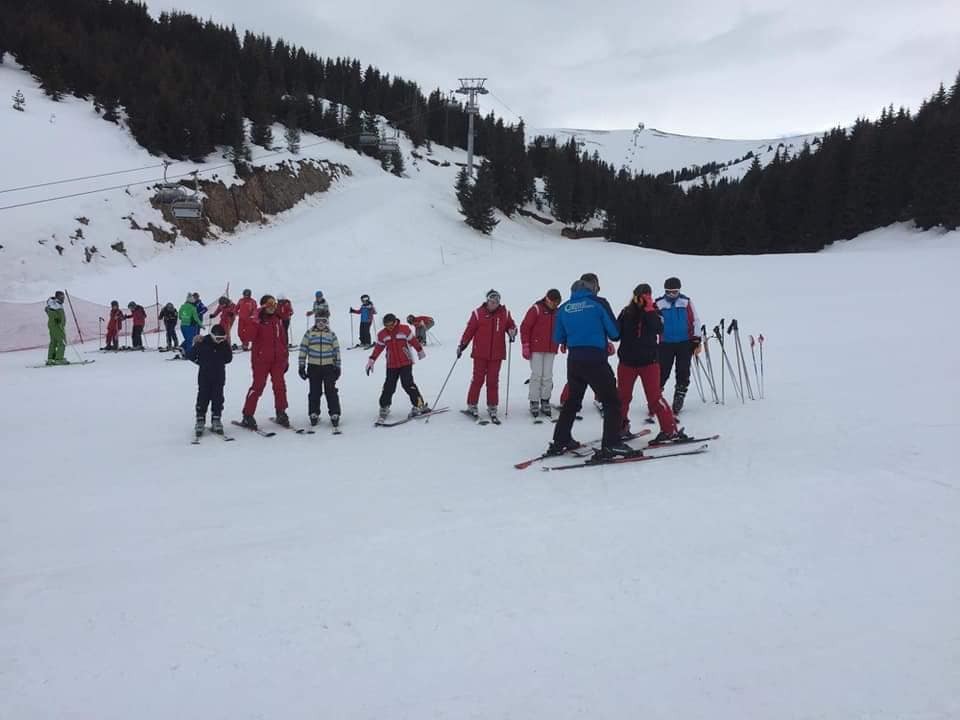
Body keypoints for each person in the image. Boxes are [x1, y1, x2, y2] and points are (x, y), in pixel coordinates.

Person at [549, 275, 633, 460]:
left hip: (574, 360)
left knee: (572, 401)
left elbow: (557, 338)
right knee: (611, 401)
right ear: (592, 289)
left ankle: (560, 439)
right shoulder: (598, 303)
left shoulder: (563, 309)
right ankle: (612, 443)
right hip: (595, 358)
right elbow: (615, 332)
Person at [616, 284, 686, 443]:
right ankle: (620, 427)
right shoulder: (626, 312)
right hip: (627, 362)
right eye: (640, 296)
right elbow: (616, 333)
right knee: (622, 397)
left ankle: (669, 430)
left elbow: (659, 329)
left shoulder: (655, 312)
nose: (642, 299)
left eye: (646, 296)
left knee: (654, 398)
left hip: (649, 362)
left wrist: (649, 310)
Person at [457, 289, 517, 422]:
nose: (493, 304)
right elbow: (469, 331)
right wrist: (462, 345)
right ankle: (472, 405)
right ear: (487, 301)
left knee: (493, 381)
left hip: (497, 354)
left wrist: (512, 331)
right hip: (480, 353)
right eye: (491, 301)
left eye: (496, 302)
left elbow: (511, 326)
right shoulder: (478, 314)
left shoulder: (504, 313)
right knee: (477, 379)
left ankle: (492, 406)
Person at [366, 313, 428, 422]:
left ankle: (419, 405)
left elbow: (413, 340)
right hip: (392, 364)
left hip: (406, 362)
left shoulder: (404, 329)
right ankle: (384, 407)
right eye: (386, 325)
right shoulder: (382, 334)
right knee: (389, 386)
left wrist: (419, 350)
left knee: (408, 384)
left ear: (395, 322)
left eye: (391, 324)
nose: (389, 327)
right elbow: (378, 348)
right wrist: (372, 360)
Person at [240, 295, 290, 429]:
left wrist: (285, 358)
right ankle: (247, 414)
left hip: (277, 360)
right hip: (261, 360)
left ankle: (281, 412)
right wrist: (254, 321)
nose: (272, 307)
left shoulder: (277, 319)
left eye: (274, 304)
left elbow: (283, 340)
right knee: (258, 387)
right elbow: (247, 337)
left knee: (280, 386)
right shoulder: (258, 321)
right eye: (268, 304)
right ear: (262, 306)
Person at [656, 276, 701, 414]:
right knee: (662, 371)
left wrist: (696, 339)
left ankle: (679, 396)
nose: (672, 295)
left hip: (684, 343)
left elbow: (695, 320)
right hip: (665, 343)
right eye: (669, 292)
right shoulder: (659, 303)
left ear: (679, 291)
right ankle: (656, 397)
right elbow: (653, 323)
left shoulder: (685, 302)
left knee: (683, 370)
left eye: (674, 292)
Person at [520, 289, 561, 418]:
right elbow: (525, 327)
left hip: (551, 347)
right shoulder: (536, 309)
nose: (555, 305)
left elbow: (562, 328)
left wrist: (563, 341)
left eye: (557, 303)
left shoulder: (558, 312)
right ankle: (534, 401)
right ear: (548, 299)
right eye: (553, 303)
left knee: (547, 375)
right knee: (537, 374)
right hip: (536, 348)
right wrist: (525, 345)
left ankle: (545, 400)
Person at [297, 310, 342, 427]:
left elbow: (336, 351)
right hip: (314, 367)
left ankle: (334, 413)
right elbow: (303, 349)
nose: (321, 323)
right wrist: (301, 366)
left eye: (323, 321)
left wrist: (337, 366)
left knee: (330, 390)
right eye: (318, 321)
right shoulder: (310, 333)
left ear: (327, 322)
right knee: (315, 391)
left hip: (328, 367)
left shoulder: (331, 334)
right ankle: (313, 413)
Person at [187, 323, 232, 435]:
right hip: (205, 376)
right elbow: (190, 355)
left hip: (219, 376)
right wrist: (200, 362)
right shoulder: (203, 342)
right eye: (218, 338)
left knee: (218, 398)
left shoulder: (224, 344)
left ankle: (216, 419)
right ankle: (200, 419)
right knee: (203, 397)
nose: (220, 340)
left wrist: (226, 349)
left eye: (222, 338)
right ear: (212, 335)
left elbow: (228, 358)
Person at [44, 290, 68, 365]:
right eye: (61, 297)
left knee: (54, 341)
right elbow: (52, 313)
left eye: (63, 297)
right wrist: (57, 320)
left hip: (53, 325)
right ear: (57, 297)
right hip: (57, 326)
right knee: (62, 342)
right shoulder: (55, 305)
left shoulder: (54, 303)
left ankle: (51, 358)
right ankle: (59, 358)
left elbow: (48, 310)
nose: (63, 298)